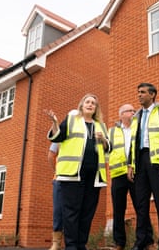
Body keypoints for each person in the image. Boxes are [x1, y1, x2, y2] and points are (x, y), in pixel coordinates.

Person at [46, 94, 110, 250]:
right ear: (81, 105)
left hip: (94, 176)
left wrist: (103, 140)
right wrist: (55, 122)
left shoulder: (101, 126)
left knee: (87, 212)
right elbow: (57, 137)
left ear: (96, 108)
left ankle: (81, 245)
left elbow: (108, 150)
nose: (90, 104)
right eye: (87, 102)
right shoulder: (71, 120)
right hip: (72, 175)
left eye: (93, 103)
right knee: (71, 212)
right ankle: (72, 246)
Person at [127, 83, 159, 250]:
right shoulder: (136, 117)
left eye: (142, 92)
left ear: (152, 94)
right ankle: (141, 241)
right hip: (140, 162)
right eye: (138, 92)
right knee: (141, 204)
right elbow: (132, 143)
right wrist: (130, 165)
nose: (139, 95)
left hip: (157, 163)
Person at [107, 104, 137, 250]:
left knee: (141, 208)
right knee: (118, 210)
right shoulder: (111, 132)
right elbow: (106, 152)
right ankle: (119, 243)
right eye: (129, 111)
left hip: (136, 173)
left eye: (134, 110)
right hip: (118, 174)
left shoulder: (138, 128)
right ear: (121, 115)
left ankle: (145, 240)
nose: (133, 112)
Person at [48, 142, 63, 250]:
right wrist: (56, 171)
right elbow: (50, 155)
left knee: (73, 211)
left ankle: (73, 243)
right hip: (59, 180)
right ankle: (56, 243)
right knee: (58, 211)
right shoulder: (59, 135)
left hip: (75, 181)